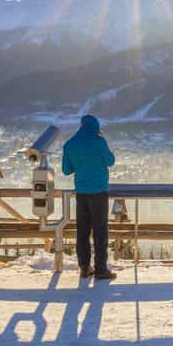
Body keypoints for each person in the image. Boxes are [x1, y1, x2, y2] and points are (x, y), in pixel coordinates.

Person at [62, 115, 117, 280]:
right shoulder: (99, 141)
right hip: (99, 192)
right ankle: (101, 269)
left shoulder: (70, 144)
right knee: (100, 231)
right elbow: (111, 160)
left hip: (81, 192)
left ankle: (84, 267)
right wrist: (101, 140)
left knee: (83, 230)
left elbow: (66, 170)